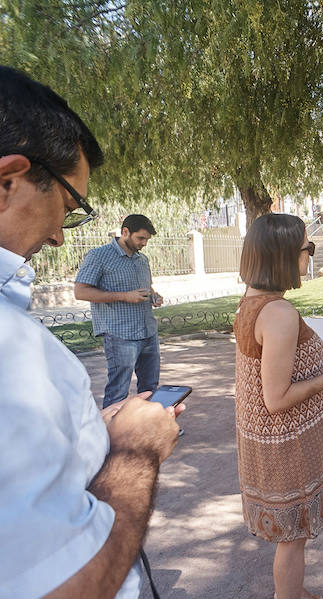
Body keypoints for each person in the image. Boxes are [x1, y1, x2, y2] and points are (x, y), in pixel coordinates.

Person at [0, 65, 183, 598]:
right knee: (119, 387)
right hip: (118, 330)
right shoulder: (13, 355)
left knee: (141, 389)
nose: (59, 234)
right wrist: (135, 453)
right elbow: (82, 292)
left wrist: (91, 436)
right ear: (8, 181)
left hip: (145, 328)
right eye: (68, 206)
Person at [233, 213, 323, 599]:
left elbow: (273, 364)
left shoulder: (255, 301)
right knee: (293, 537)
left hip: (273, 440)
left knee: (293, 535)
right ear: (282, 256)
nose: (309, 256)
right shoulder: (278, 313)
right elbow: (276, 398)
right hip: (286, 443)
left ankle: (293, 593)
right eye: (306, 249)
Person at [75, 214, 164, 408]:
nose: (144, 243)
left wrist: (154, 296)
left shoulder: (142, 259)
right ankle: (110, 434)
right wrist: (125, 296)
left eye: (147, 240)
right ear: (125, 232)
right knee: (118, 390)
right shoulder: (98, 256)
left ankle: (148, 429)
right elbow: (80, 292)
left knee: (150, 387)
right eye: (141, 238)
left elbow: (147, 288)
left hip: (148, 331)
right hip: (120, 334)